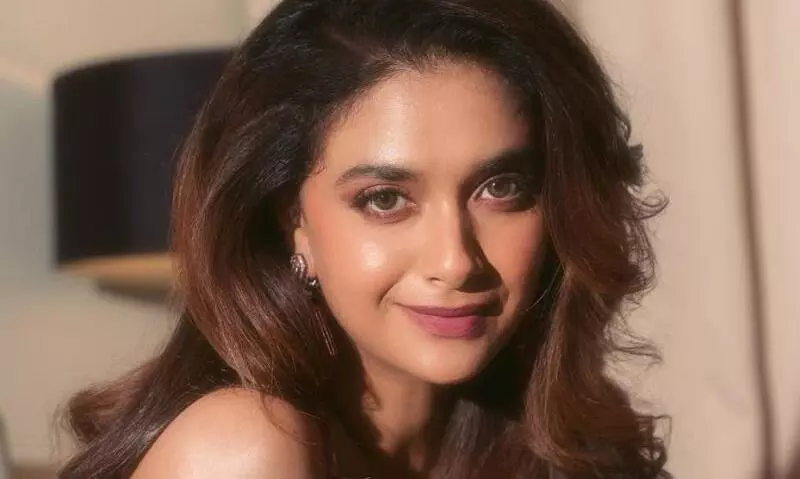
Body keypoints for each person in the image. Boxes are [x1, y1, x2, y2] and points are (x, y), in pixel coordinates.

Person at [60, 0, 670, 477]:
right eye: (385, 199)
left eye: (500, 188)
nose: (456, 261)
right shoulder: (245, 448)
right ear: (291, 221)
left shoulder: (545, 446)